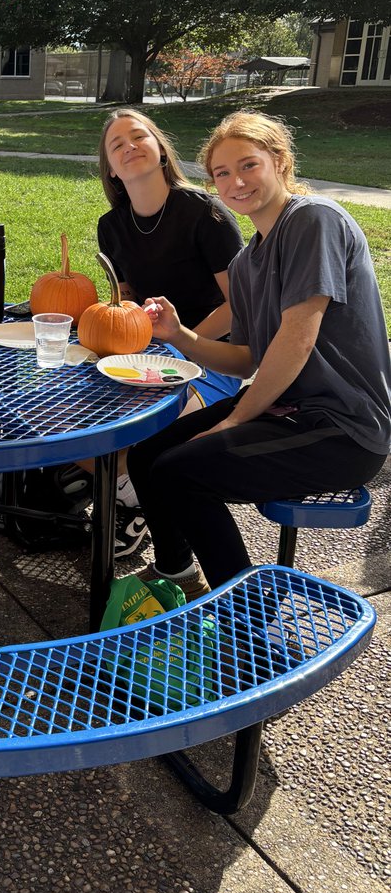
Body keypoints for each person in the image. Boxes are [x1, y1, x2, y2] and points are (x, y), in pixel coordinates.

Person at [125, 110, 391, 597]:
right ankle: (175, 571)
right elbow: (247, 358)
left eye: (249, 165)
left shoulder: (313, 219)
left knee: (180, 472)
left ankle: (247, 617)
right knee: (147, 453)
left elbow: (298, 336)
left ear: (280, 161)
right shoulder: (247, 262)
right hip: (288, 410)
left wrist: (234, 419)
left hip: (344, 429)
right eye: (222, 173)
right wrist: (180, 335)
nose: (236, 182)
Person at [89, 108, 244, 559]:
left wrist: (179, 339)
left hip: (211, 358)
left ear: (160, 151)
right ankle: (129, 493)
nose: (129, 147)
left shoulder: (205, 213)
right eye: (117, 145)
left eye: (139, 137)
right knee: (71, 426)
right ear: (111, 169)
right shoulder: (111, 226)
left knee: (148, 440)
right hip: (146, 356)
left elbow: (240, 305)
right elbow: (125, 298)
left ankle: (135, 500)